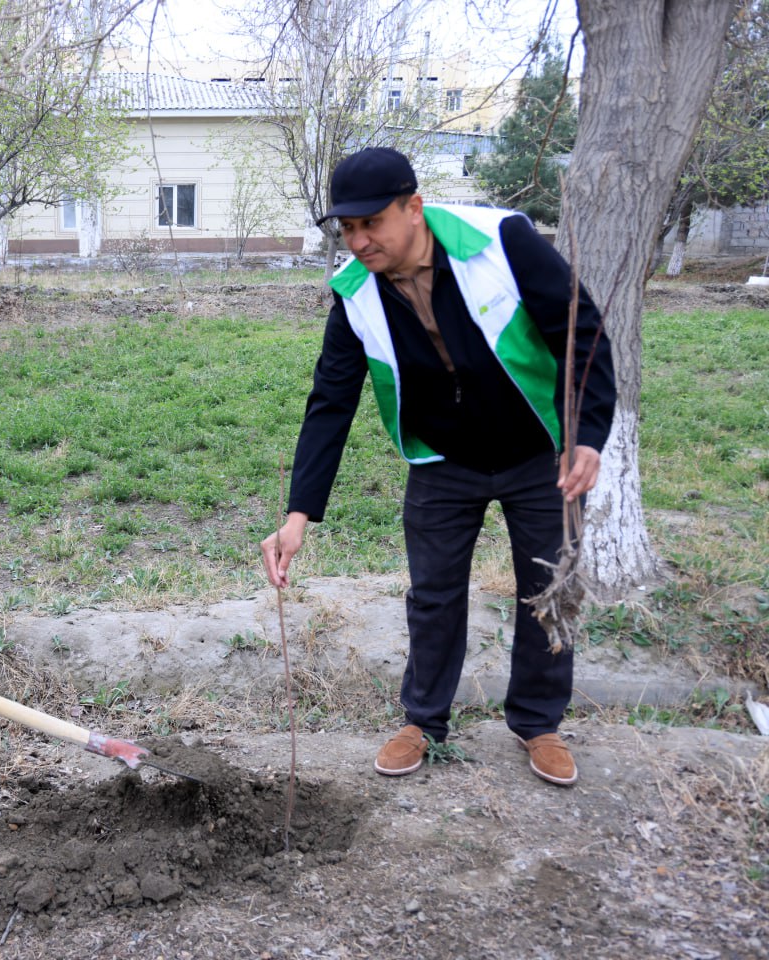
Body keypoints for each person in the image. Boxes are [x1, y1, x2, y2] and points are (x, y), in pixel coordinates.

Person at [261, 148, 616, 786]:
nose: (359, 241)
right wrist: (298, 515)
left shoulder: (501, 242)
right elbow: (330, 402)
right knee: (432, 595)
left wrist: (585, 436)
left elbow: (580, 331)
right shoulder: (355, 293)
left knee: (551, 587)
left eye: (372, 223)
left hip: (540, 453)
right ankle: (423, 721)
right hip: (443, 460)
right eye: (348, 228)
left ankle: (539, 723)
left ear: (414, 208)